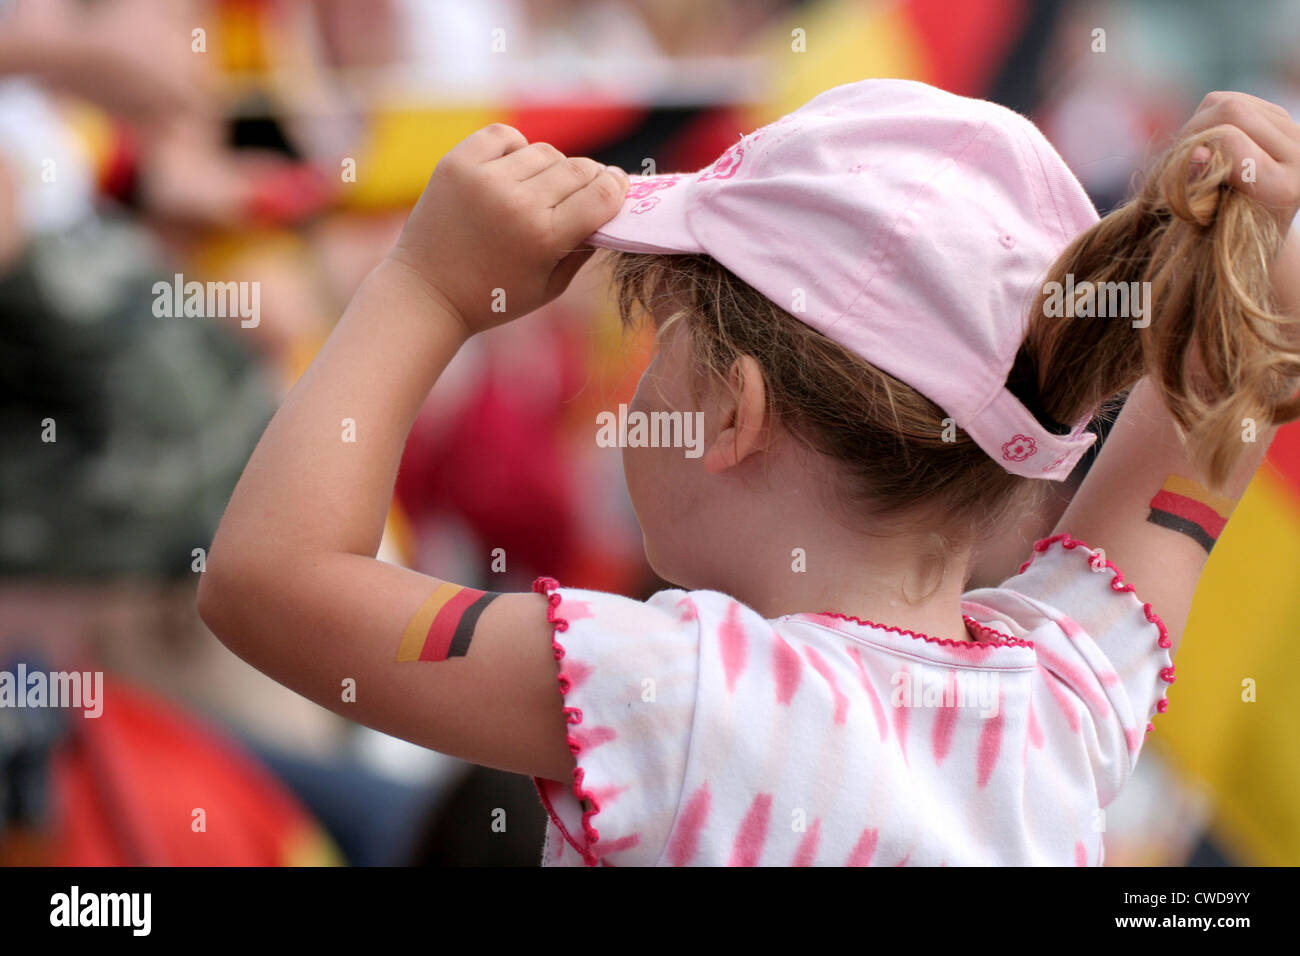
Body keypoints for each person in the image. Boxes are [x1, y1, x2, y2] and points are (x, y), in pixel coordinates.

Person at [198, 79, 1300, 866]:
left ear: (731, 408)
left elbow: (264, 580)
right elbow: (1209, 411)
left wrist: (426, 288)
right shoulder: (1064, 703)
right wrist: (1247, 255)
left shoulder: (685, 697)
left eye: (659, 329)